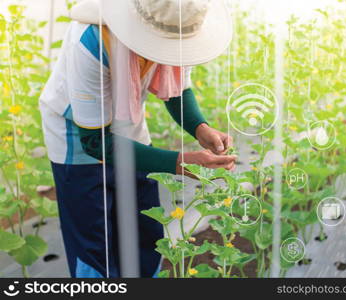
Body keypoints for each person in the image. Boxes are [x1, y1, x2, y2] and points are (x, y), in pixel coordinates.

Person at [39, 0, 234, 278]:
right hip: (75, 135)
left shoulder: (177, 25)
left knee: (146, 226)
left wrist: (201, 129)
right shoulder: (92, 41)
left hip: (129, 122)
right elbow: (95, 141)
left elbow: (177, 86)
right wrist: (178, 161)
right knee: (96, 240)